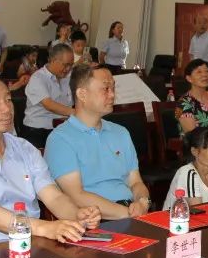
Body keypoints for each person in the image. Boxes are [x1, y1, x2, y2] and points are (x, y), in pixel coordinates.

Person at [0, 71, 95, 250]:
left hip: (31, 246)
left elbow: (54, 197)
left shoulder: (25, 149)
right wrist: (44, 228)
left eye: (8, 100)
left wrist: (77, 215)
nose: (7, 109)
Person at [45, 63, 154, 219]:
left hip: (130, 213)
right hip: (94, 220)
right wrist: (127, 214)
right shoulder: (60, 139)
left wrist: (143, 202)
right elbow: (76, 196)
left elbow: (135, 182)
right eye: (105, 88)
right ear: (82, 94)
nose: (112, 95)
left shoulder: (121, 132)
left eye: (113, 88)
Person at [22, 43, 75, 148]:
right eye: (65, 65)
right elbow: (49, 104)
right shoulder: (38, 78)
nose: (68, 69)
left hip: (61, 128)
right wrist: (76, 113)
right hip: (38, 131)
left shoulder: (68, 77)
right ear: (53, 60)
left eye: (71, 65)